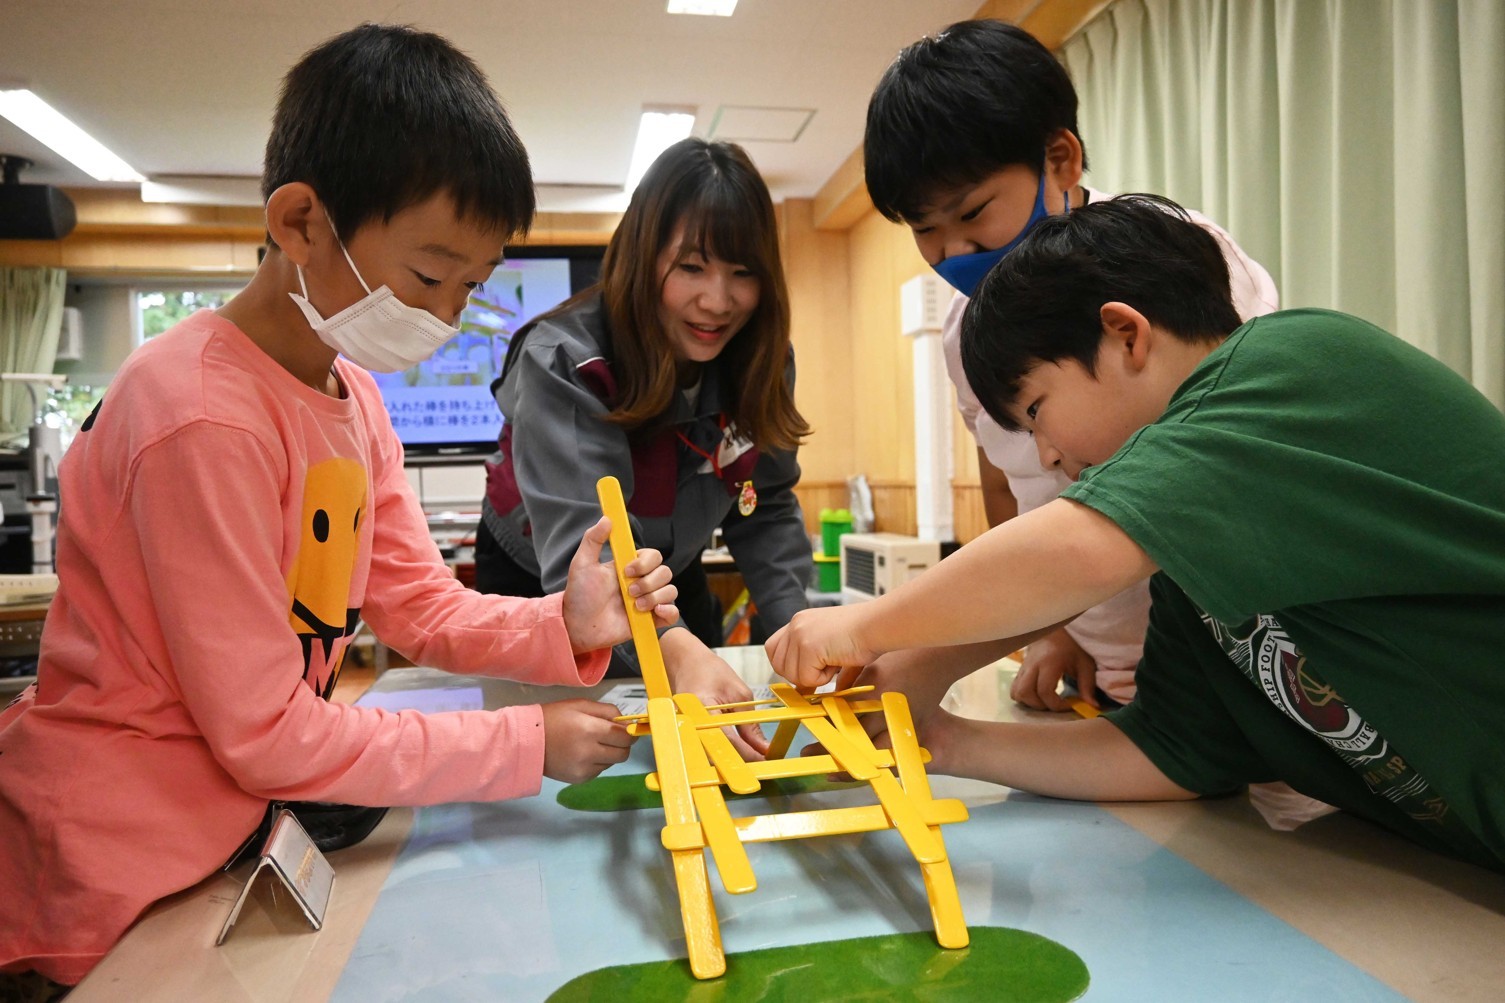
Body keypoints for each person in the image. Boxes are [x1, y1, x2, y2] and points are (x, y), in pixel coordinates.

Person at [0, 24, 681, 989]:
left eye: (469, 288)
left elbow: (418, 605)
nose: (444, 316)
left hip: (234, 833)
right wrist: (524, 740)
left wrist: (560, 623)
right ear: (301, 223)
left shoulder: (351, 395)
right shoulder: (199, 412)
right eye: (428, 276)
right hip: (120, 866)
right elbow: (267, 730)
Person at [767, 195, 1505, 874]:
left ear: (1125, 335)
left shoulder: (1296, 365)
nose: (1047, 455)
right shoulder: (1192, 562)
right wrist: (944, 741)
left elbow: (1080, 549)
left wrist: (864, 626)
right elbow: (1171, 752)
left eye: (1036, 410)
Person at [862, 19, 1279, 711]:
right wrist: (1054, 630)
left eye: (971, 213)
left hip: (1247, 667)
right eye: (923, 229)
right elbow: (1008, 486)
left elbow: (1210, 472)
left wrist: (883, 631)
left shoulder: (1171, 256)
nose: (951, 252)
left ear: (1059, 159)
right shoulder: (963, 332)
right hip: (1111, 682)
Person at [474, 138, 813, 756]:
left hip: (667, 576)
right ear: (642, 255)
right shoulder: (566, 358)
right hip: (545, 577)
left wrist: (799, 625)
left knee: (703, 735)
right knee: (558, 751)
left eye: (743, 273)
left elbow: (761, 504)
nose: (718, 301)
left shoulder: (761, 357)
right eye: (691, 268)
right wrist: (675, 649)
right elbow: (589, 542)